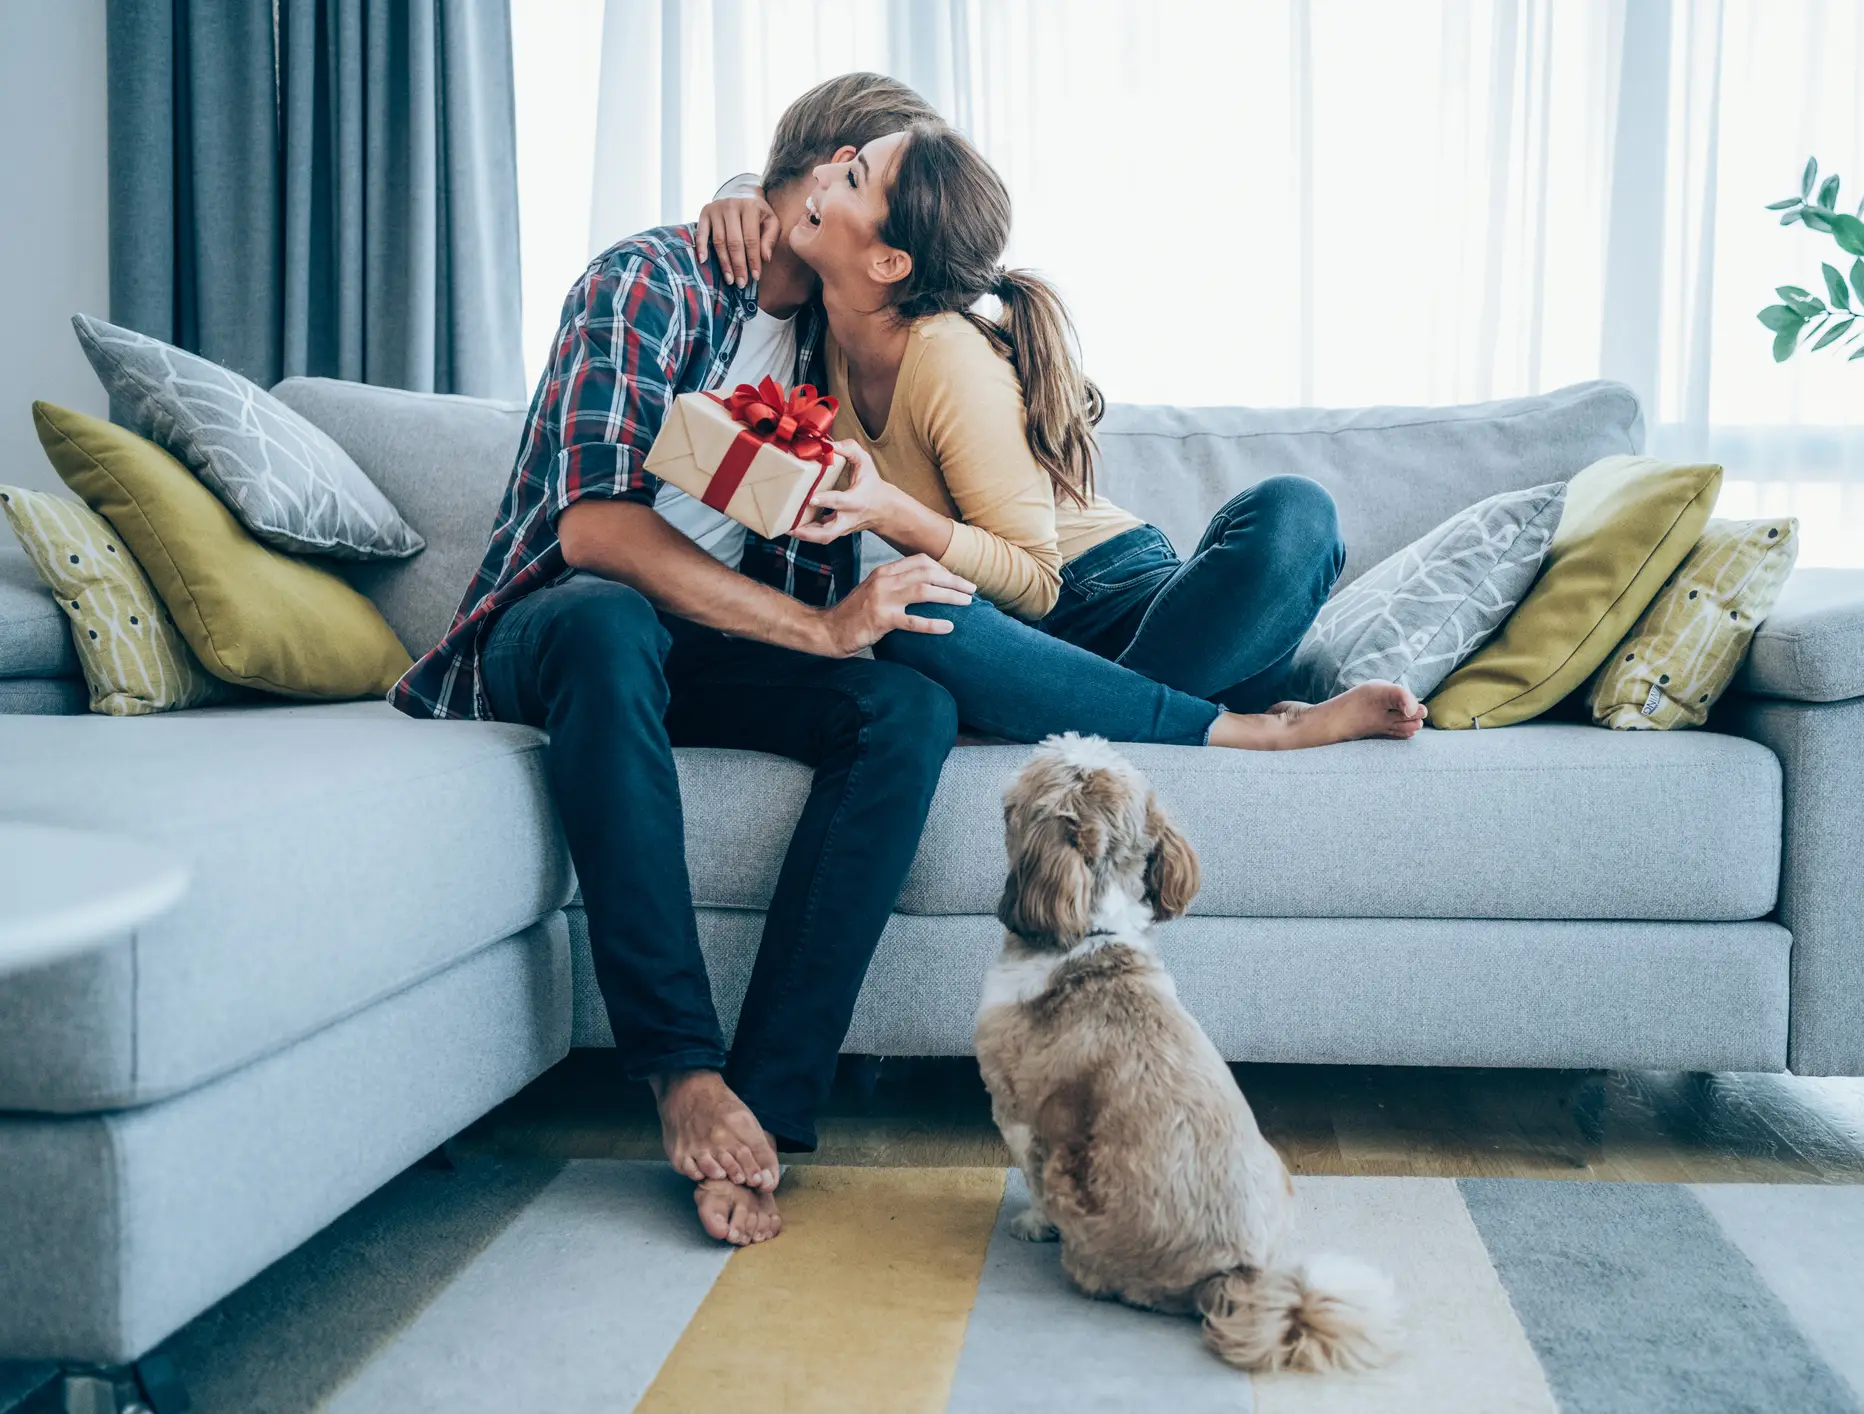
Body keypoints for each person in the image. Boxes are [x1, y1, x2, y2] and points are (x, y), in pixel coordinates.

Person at [392, 74, 965, 1247]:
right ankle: (678, 1069)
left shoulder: (834, 344)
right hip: (557, 625)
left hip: (712, 642)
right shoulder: (647, 279)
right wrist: (816, 626)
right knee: (608, 618)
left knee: (904, 708)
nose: (878, 220)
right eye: (867, 180)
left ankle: (763, 1102)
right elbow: (592, 531)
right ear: (821, 174)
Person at [697, 123, 1425, 750]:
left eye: (849, 175)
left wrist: (888, 509)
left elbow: (1039, 584)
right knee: (907, 610)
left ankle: (1196, 722)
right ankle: (1209, 721)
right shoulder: (811, 336)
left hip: (1133, 603)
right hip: (1024, 651)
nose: (821, 173)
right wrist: (736, 189)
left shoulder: (945, 353)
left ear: (890, 261)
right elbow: (775, 194)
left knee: (1295, 510)